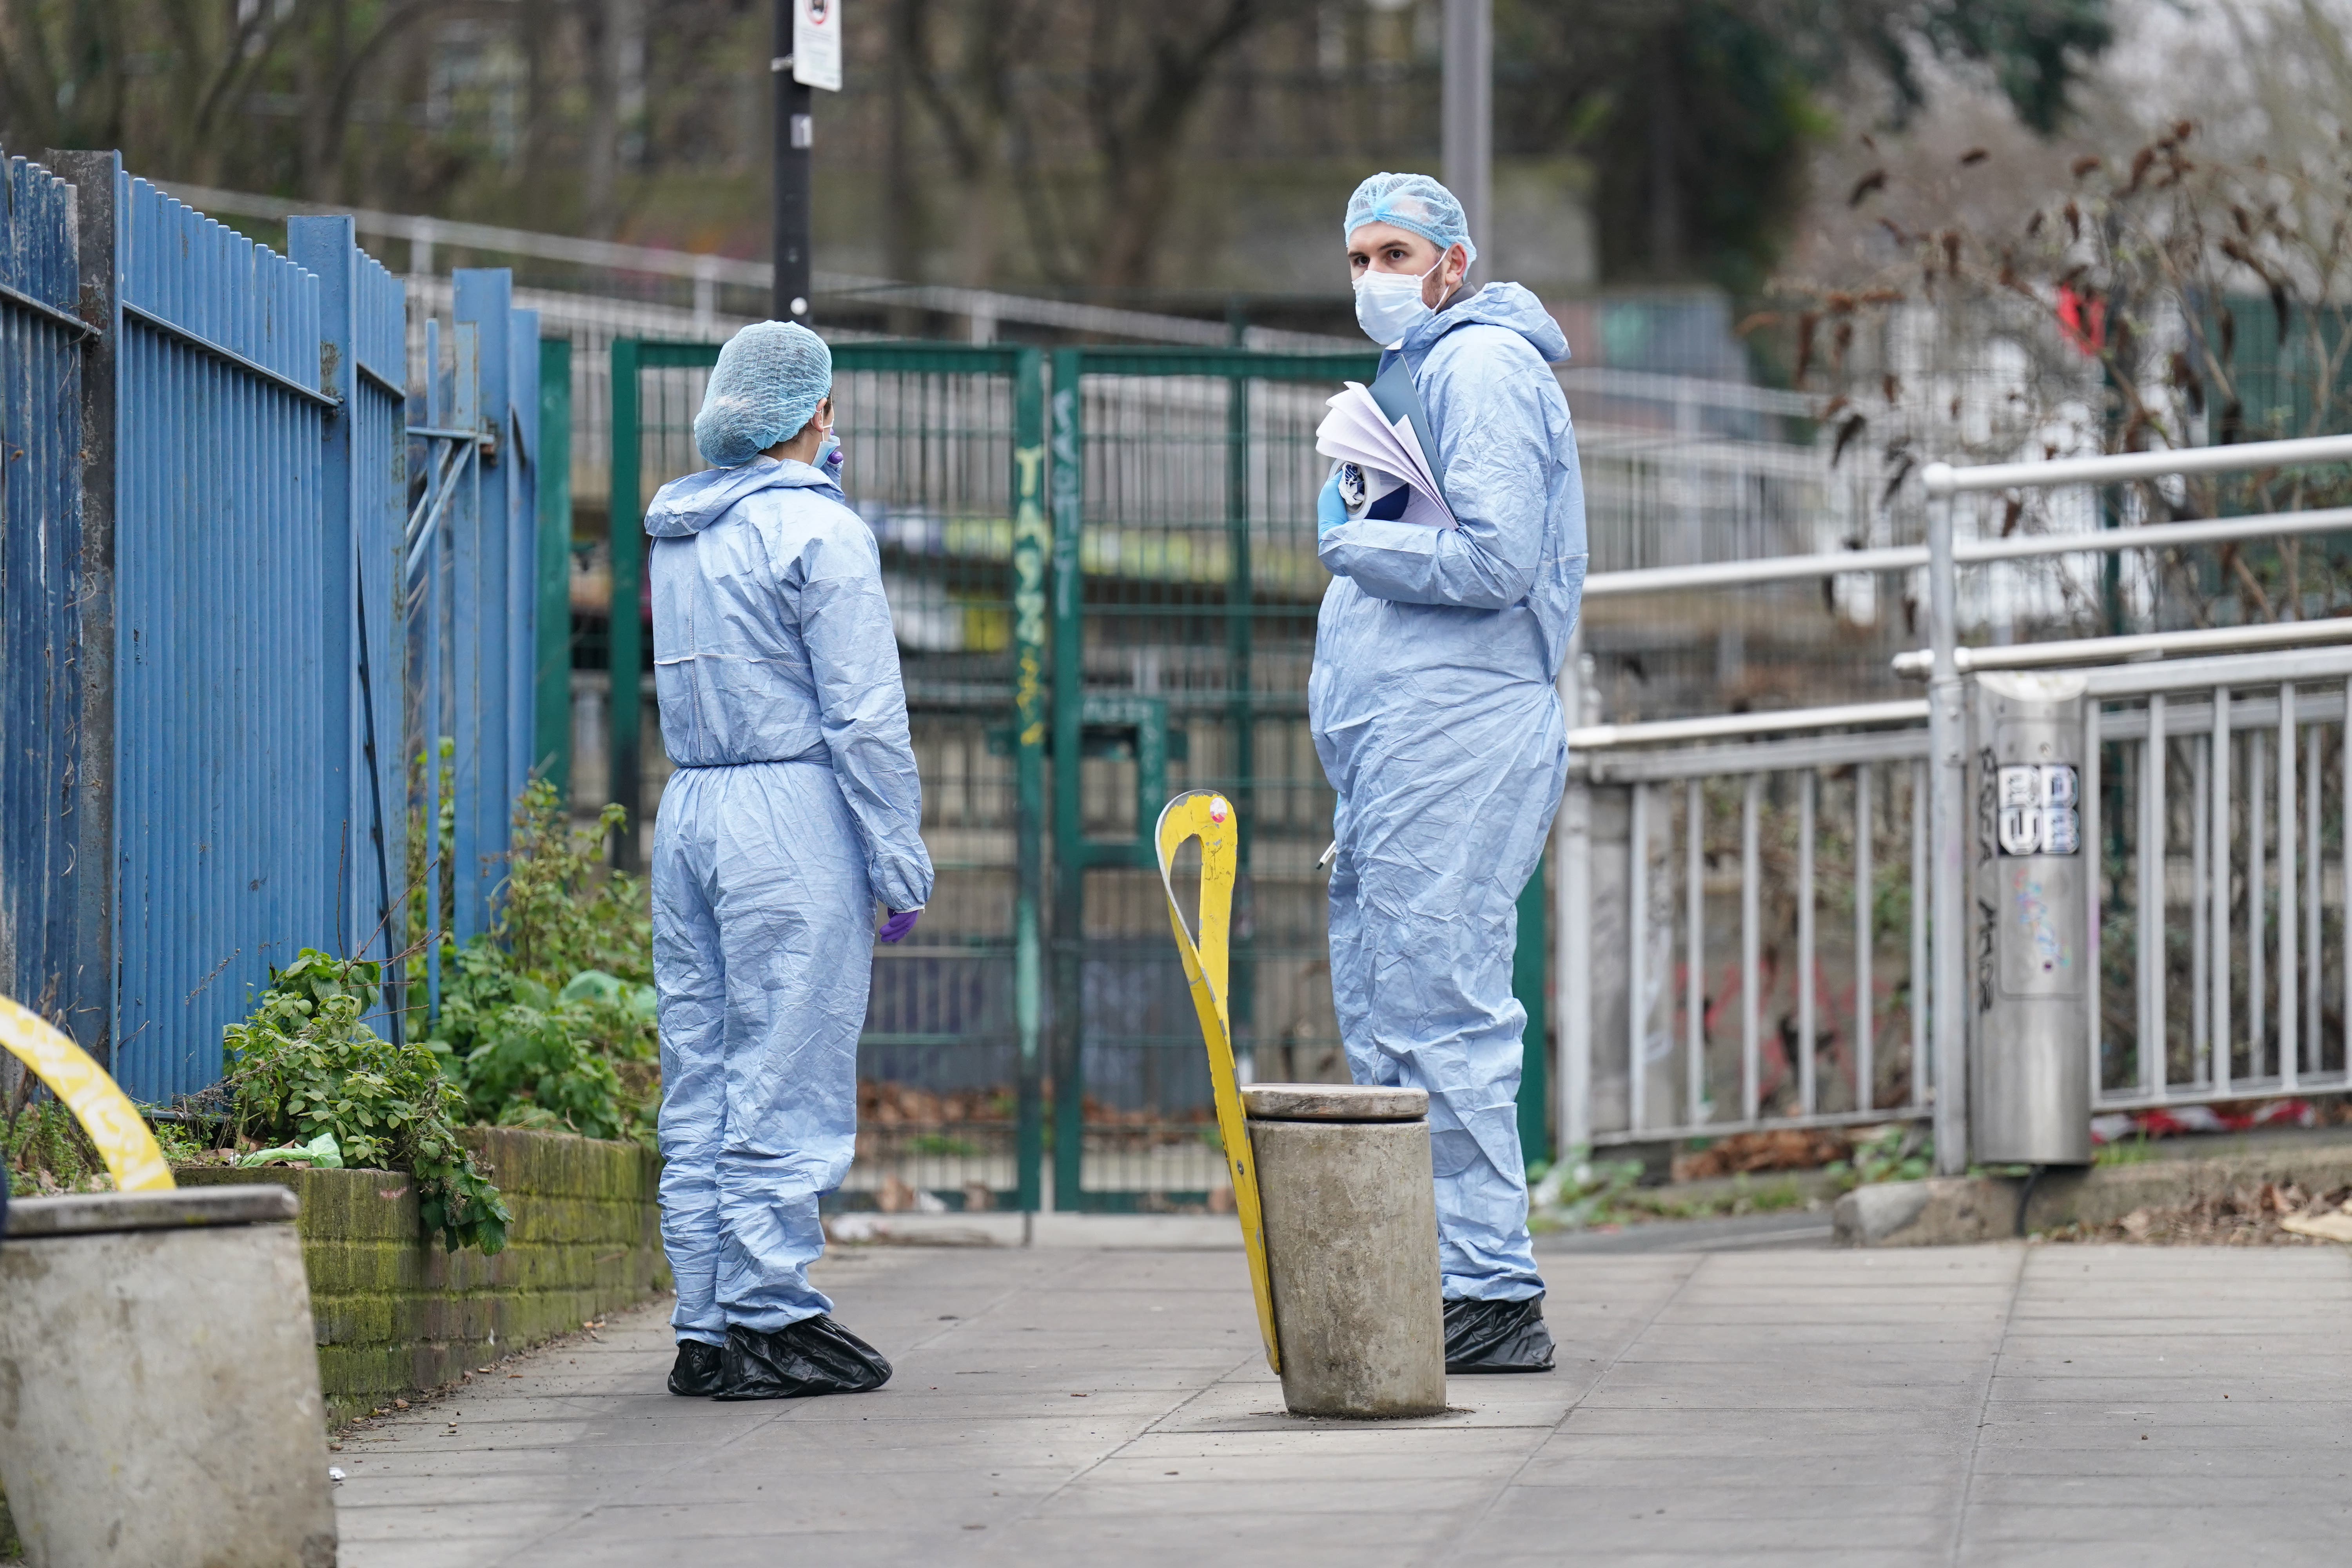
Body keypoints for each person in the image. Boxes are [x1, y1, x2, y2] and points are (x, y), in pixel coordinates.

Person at [1311, 172, 1587, 1373]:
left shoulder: (1480, 370)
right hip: (1409, 741)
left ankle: (1487, 1286)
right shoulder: (1421, 375)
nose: (1374, 274)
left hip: (1459, 735)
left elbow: (1495, 557)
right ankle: (1439, 1269)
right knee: (1394, 1007)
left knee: (1443, 1005)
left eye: (1395, 252)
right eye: (1360, 253)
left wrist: (1350, 538)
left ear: (1453, 263)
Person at [644, 321, 933, 1400]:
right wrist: (897, 860)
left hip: (692, 806)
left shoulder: (679, 529)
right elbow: (863, 716)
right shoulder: (821, 534)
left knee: (704, 1061)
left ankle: (706, 1319)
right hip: (790, 807)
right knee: (787, 1060)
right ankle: (773, 1311)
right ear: (818, 412)